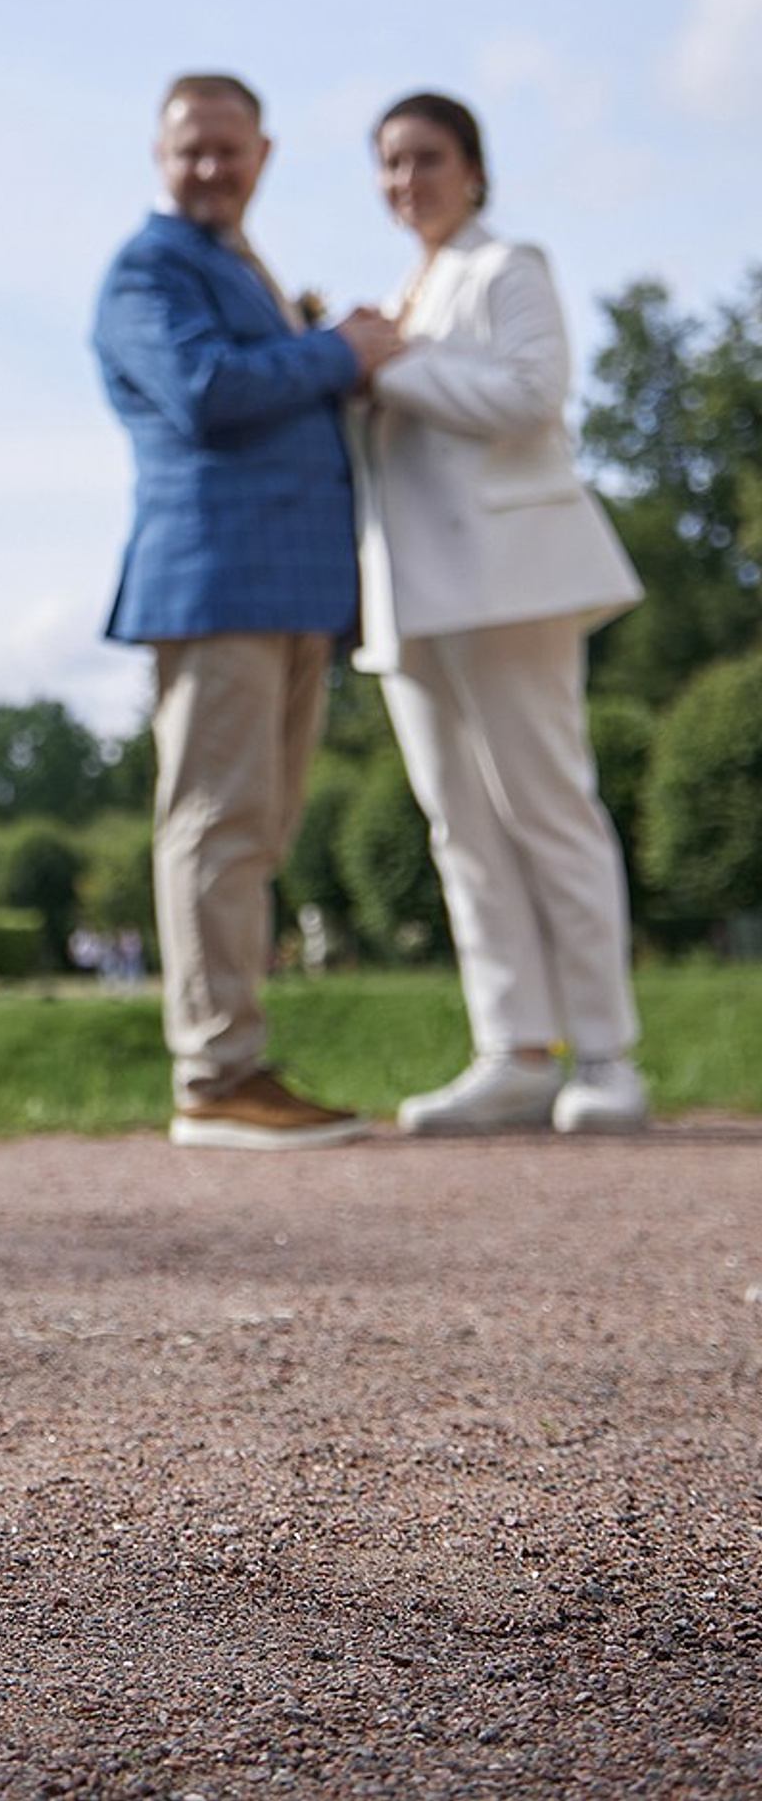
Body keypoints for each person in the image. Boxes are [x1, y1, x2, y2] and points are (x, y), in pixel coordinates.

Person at [94, 73, 403, 1149]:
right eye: (193, 149)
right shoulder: (147, 269)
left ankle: (238, 1061)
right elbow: (206, 391)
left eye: (230, 148)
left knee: (254, 831)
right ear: (160, 154)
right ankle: (216, 1072)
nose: (212, 167)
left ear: (263, 154)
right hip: (216, 578)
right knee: (216, 825)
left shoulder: (234, 267)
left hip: (289, 586)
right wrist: (340, 352)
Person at [353, 92, 647, 1135]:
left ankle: (604, 1051)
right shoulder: (401, 291)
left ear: (471, 168)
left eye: (425, 157)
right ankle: (514, 1046)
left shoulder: (505, 265)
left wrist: (392, 365)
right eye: (389, 164)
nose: (407, 180)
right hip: (412, 598)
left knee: (548, 809)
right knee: (460, 830)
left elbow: (530, 395)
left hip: (510, 581)